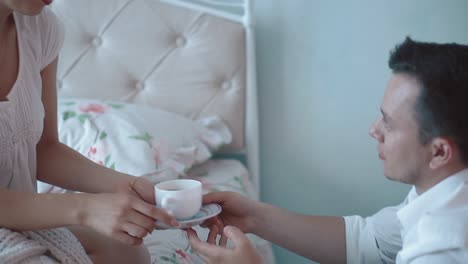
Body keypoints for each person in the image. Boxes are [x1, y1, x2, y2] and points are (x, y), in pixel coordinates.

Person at [186, 37, 468, 264]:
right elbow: (368, 242)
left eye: (389, 123)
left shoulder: (443, 247)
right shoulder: (446, 188)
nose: (374, 130)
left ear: (439, 153)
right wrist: (253, 217)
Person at [0, 1, 178, 263]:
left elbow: (45, 149)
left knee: (128, 252)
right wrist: (85, 209)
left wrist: (130, 186)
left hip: (20, 217)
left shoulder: (40, 27)